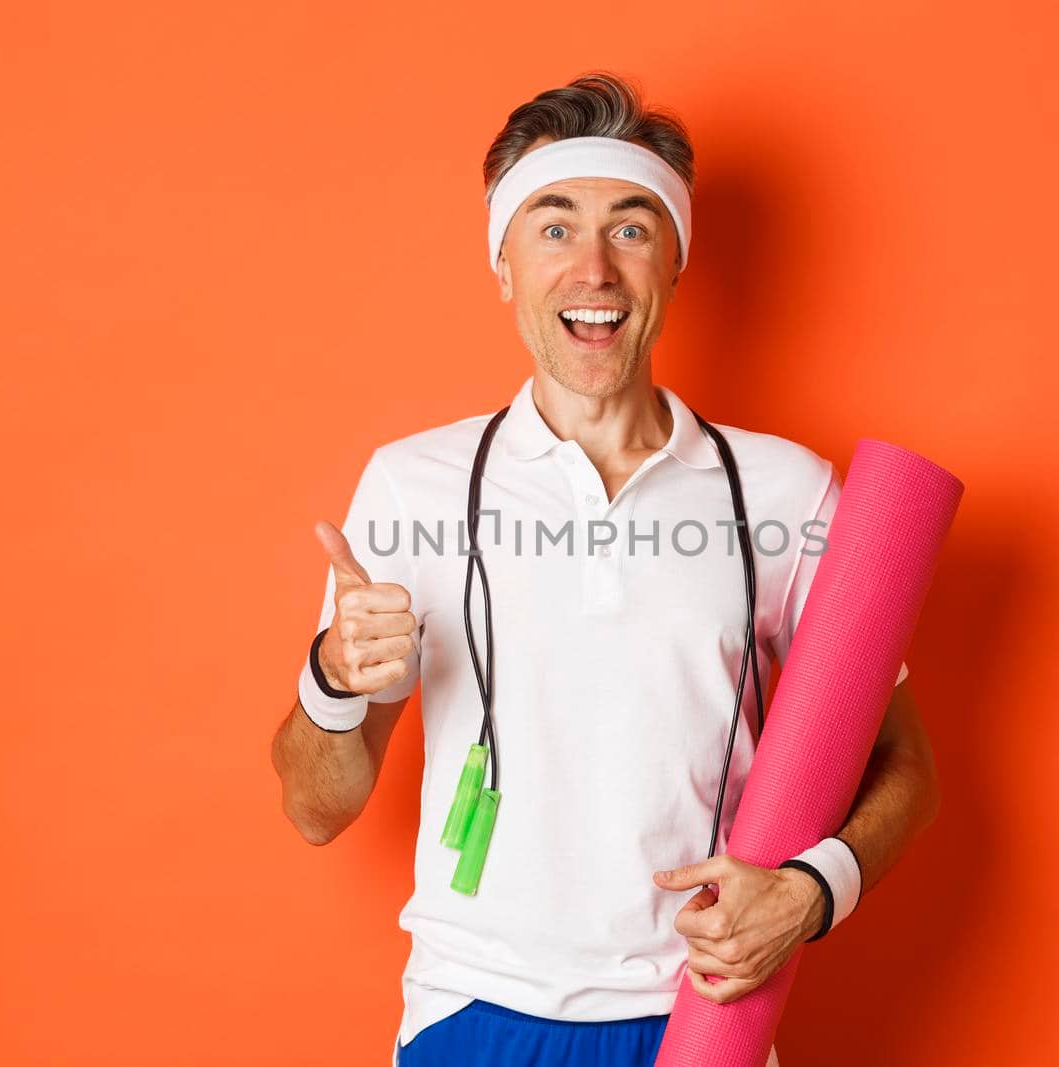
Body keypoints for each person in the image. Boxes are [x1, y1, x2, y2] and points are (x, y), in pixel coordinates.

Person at [269, 71, 941, 1067]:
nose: (594, 266)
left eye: (630, 227)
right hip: (473, 1010)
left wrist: (807, 894)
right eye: (552, 227)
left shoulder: (784, 489)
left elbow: (906, 768)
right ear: (503, 264)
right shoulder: (413, 484)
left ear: (674, 261)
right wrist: (330, 681)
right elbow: (314, 808)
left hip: (705, 1012)